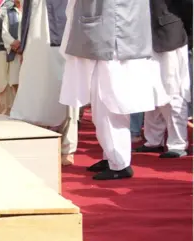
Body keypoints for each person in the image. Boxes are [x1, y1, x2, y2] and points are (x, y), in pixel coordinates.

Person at [59, 0, 168, 179]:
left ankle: (118, 162)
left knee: (108, 104)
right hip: (113, 34)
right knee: (103, 103)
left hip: (113, 38)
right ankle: (111, 156)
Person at [10, 0, 79, 166]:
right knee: (33, 92)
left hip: (59, 40)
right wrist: (24, 45)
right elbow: (26, 17)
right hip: (34, 44)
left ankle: (68, 148)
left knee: (66, 93)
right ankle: (38, 143)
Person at [135, 0, 191, 158]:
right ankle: (153, 140)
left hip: (169, 37)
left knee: (172, 91)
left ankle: (178, 144)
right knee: (150, 91)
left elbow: (187, 8)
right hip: (145, 38)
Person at [1, 0, 22, 93]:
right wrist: (14, 43)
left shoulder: (31, 10)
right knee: (16, 82)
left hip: (29, 52)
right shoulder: (9, 12)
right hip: (15, 52)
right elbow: (4, 32)